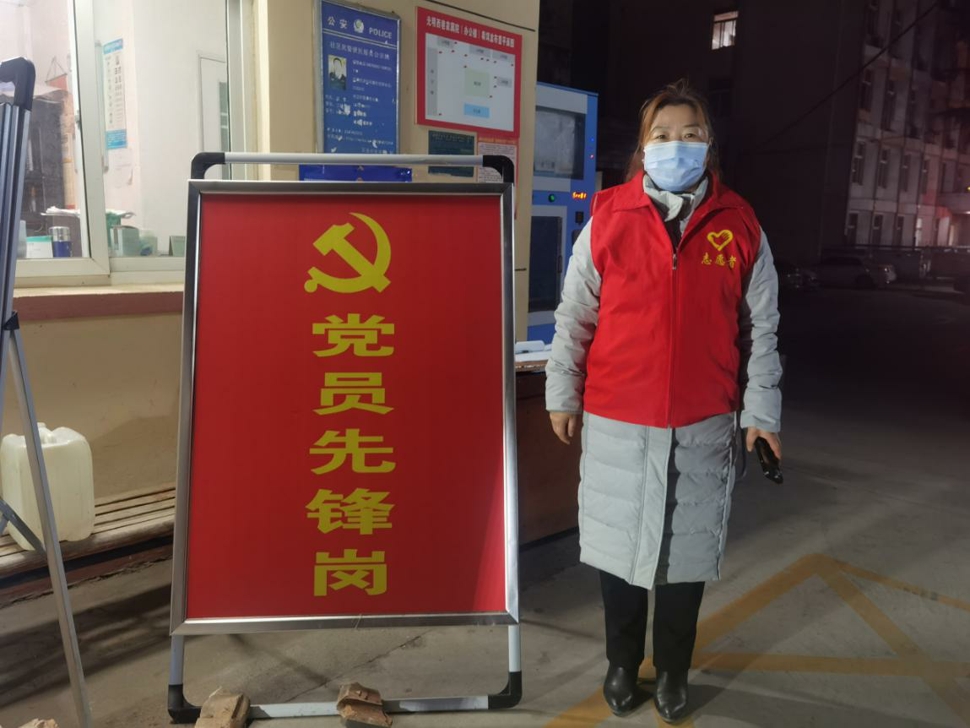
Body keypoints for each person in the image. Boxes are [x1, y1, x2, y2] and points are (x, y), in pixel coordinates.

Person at [545, 79, 782, 723]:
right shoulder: (609, 218)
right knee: (619, 557)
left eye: (690, 134)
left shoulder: (740, 224)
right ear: (643, 147)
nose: (676, 145)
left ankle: (674, 670)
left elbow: (761, 329)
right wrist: (563, 392)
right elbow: (575, 316)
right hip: (618, 418)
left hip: (704, 422)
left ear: (709, 145)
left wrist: (761, 414)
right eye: (663, 134)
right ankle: (622, 664)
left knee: (685, 561)